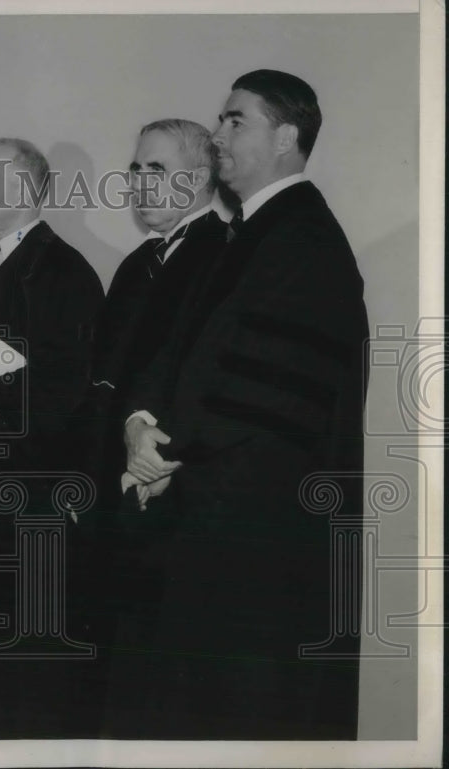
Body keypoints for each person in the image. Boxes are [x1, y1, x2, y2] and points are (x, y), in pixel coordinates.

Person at [119, 70, 368, 738]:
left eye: (236, 121)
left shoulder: (305, 242)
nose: (219, 134)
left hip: (258, 532)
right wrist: (140, 425)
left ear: (286, 137)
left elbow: (270, 393)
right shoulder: (247, 237)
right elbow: (176, 358)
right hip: (212, 514)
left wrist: (166, 457)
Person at [0, 137, 103, 736]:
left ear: (26, 190)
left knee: (1, 642)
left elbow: (65, 386)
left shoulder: (61, 270)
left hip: (14, 485)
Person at [70, 119, 226, 725]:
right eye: (134, 169)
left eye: (153, 170)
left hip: (171, 485)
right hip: (111, 484)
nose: (136, 182)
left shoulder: (226, 254)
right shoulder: (137, 263)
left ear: (198, 175)